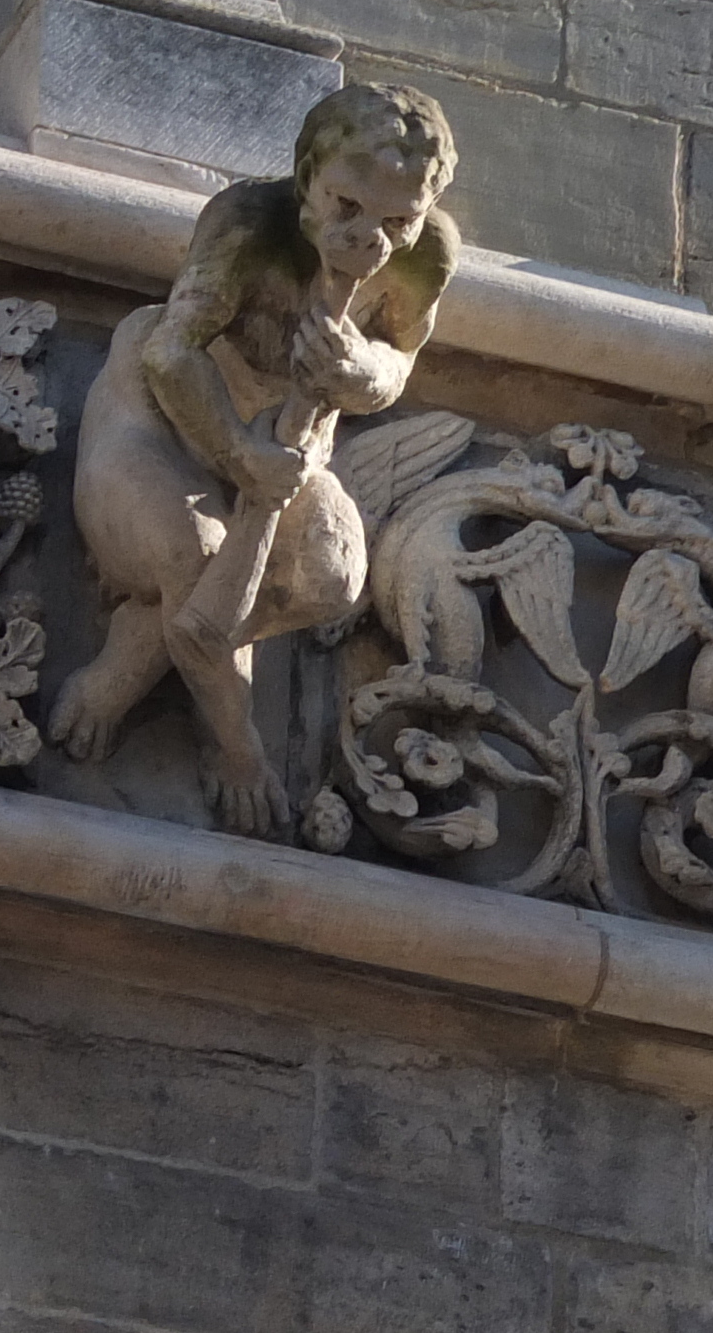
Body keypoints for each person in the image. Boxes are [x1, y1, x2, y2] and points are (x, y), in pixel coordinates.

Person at [50, 82, 461, 834]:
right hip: (163, 419)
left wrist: (362, 376)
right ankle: (233, 740)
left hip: (290, 445)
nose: (369, 240)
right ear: (308, 179)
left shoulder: (426, 254)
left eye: (396, 221)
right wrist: (238, 454)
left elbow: (399, 359)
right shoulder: (251, 224)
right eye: (347, 208)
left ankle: (144, 646)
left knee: (337, 576)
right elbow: (175, 354)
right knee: (193, 552)